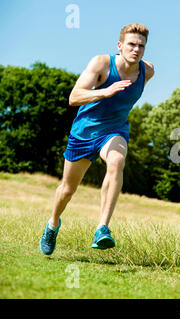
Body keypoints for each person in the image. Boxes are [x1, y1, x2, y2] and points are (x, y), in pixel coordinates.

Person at [40, 24, 155, 255]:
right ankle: (53, 224)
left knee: (116, 162)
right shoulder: (101, 63)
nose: (136, 49)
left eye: (141, 45)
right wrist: (104, 91)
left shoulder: (148, 71)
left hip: (114, 132)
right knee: (67, 189)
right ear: (120, 46)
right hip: (83, 133)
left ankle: (102, 228)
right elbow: (74, 97)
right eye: (131, 44)